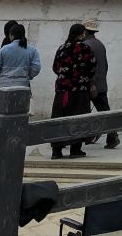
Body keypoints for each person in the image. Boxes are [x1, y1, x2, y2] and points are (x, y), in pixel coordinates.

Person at [50, 24, 96, 159]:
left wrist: (65, 76)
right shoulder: (86, 49)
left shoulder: (62, 48)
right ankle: (75, 149)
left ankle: (56, 150)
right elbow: (92, 68)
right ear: (81, 34)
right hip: (80, 91)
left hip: (62, 91)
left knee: (59, 119)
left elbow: (55, 67)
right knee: (79, 119)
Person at [82, 19, 119, 150]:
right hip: (101, 84)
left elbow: (85, 67)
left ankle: (80, 137)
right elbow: (105, 65)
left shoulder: (85, 45)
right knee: (104, 112)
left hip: (88, 85)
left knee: (80, 112)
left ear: (85, 31)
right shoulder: (100, 44)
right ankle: (112, 136)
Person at [0, 24, 41, 89]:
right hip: (23, 86)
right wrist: (28, 76)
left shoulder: (3, 50)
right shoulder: (32, 50)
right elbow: (36, 68)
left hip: (4, 87)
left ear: (12, 35)